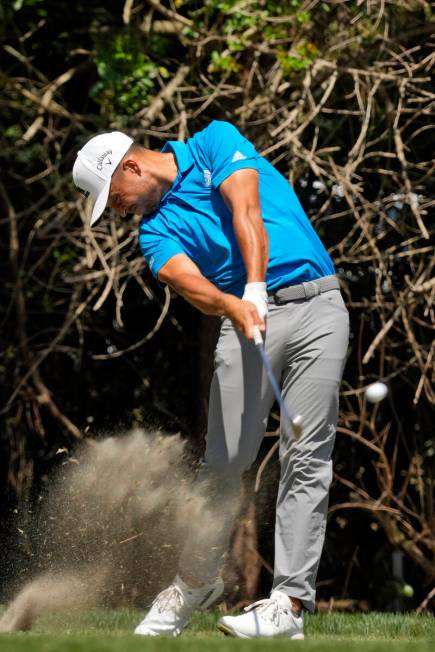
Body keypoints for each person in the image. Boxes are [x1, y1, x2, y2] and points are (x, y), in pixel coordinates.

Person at [72, 121, 349, 639]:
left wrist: (256, 285)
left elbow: (245, 206)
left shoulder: (213, 143)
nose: (118, 212)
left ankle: (286, 606)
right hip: (242, 319)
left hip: (317, 307)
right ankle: (193, 583)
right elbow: (187, 281)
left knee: (307, 454)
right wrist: (234, 304)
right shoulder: (154, 230)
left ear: (130, 167)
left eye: (113, 199)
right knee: (224, 463)